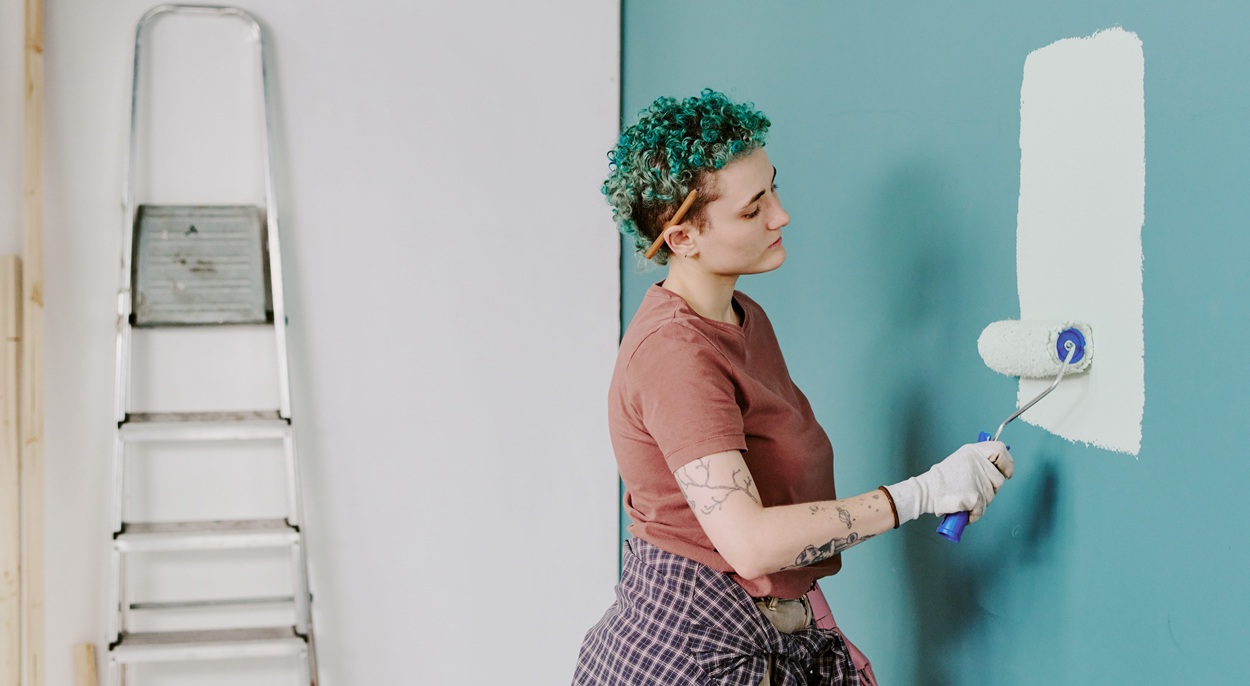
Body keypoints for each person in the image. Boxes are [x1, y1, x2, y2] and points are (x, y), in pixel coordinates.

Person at [573, 89, 1013, 686]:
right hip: (688, 660)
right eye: (753, 210)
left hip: (764, 642)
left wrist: (815, 624)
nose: (781, 215)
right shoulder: (675, 356)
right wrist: (923, 492)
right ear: (682, 239)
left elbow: (772, 535)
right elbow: (750, 545)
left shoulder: (740, 316)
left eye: (773, 188)